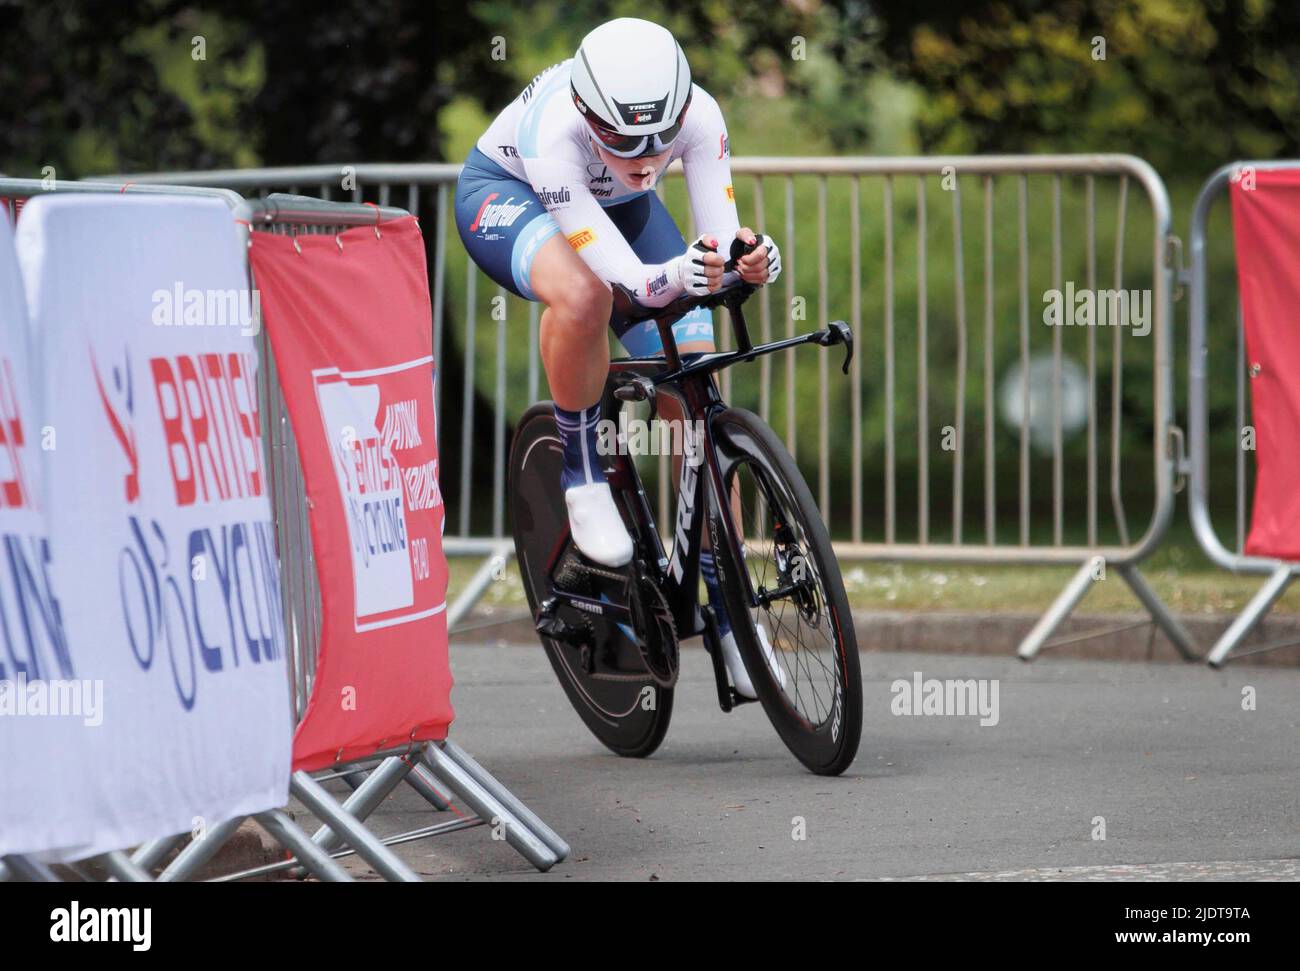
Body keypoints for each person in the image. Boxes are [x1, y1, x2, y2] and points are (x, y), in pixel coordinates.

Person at [455, 17, 784, 697]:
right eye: (622, 138)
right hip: (512, 194)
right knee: (583, 301)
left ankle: (726, 605)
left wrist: (746, 263)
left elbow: (716, 250)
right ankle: (582, 474)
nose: (643, 155)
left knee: (694, 379)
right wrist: (681, 275)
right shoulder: (555, 135)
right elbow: (629, 284)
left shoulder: (701, 115)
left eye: (658, 139)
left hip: (623, 210)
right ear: (586, 112)